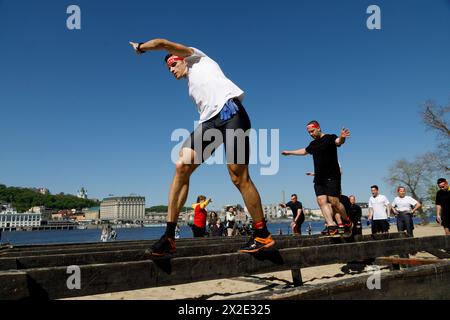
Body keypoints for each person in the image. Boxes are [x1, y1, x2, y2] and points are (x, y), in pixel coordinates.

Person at [130, 38, 274, 255]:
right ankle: (169, 236)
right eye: (168, 67)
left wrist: (141, 48)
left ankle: (262, 234)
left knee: (238, 177)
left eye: (173, 64)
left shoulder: (197, 57)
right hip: (209, 123)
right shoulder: (191, 88)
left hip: (231, 113)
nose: (171, 69)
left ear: (183, 59)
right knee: (182, 166)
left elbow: (161, 43)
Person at [282, 121, 352, 236]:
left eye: (312, 131)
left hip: (332, 175)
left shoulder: (330, 138)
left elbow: (338, 141)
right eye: (309, 132)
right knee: (321, 201)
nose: (311, 134)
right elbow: (305, 151)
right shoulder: (313, 144)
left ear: (318, 128)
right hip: (319, 178)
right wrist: (290, 152)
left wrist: (342, 137)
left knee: (334, 202)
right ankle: (331, 225)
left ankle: (346, 221)